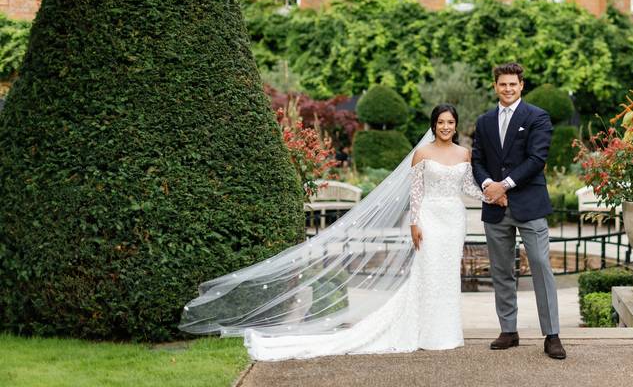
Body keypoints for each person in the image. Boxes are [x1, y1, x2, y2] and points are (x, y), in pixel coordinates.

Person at [181, 103, 503, 360]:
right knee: (428, 273)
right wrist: (414, 222)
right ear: (433, 125)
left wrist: (493, 194)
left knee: (447, 276)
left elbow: (468, 187)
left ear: (456, 125)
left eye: (450, 122)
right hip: (430, 219)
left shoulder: (464, 155)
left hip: (453, 220)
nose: (446, 127)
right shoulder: (422, 154)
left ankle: (447, 334)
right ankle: (425, 332)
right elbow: (415, 193)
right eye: (441, 122)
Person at [472, 62, 566, 360]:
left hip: (529, 204)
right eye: (503, 84)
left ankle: (552, 335)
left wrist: (504, 186)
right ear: (495, 86)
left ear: (521, 85)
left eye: (513, 84)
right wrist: (489, 185)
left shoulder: (537, 116)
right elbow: (477, 160)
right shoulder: (485, 120)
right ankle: (509, 330)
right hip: (495, 207)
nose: (508, 89)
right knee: (501, 270)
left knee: (540, 265)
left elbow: (537, 158)